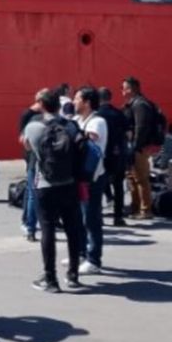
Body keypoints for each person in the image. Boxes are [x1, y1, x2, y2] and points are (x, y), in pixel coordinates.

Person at [23, 89, 83, 293]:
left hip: (45, 185)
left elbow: (27, 146)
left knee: (47, 230)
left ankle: (50, 279)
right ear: (59, 105)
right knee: (73, 229)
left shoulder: (33, 127)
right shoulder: (72, 125)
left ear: (42, 105)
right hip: (70, 183)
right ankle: (73, 275)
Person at [74, 87, 107, 275]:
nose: (74, 101)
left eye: (77, 98)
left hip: (92, 177)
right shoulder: (78, 120)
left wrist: (74, 134)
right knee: (78, 216)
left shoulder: (98, 121)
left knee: (91, 218)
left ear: (87, 102)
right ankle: (80, 253)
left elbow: (91, 137)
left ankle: (94, 259)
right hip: (78, 176)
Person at [123, 76, 159, 220]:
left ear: (132, 89)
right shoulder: (135, 103)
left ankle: (145, 210)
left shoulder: (139, 105)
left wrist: (136, 146)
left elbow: (141, 127)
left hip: (139, 147)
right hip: (134, 145)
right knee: (132, 177)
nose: (123, 91)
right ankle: (135, 207)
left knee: (141, 178)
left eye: (124, 88)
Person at [17, 91, 49, 242]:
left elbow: (24, 141)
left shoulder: (33, 120)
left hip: (34, 160)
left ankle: (31, 228)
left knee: (32, 195)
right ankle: (47, 226)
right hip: (52, 164)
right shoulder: (59, 121)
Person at [97, 87, 129, 226]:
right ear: (110, 97)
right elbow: (128, 134)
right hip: (118, 154)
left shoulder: (96, 115)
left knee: (98, 185)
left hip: (101, 155)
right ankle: (118, 216)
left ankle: (98, 215)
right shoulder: (119, 113)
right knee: (118, 186)